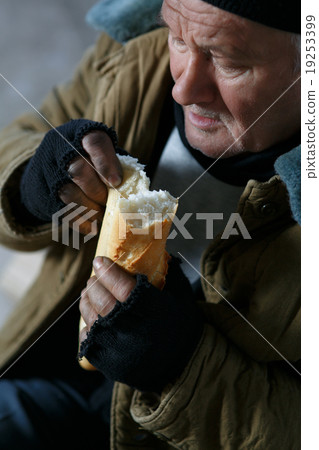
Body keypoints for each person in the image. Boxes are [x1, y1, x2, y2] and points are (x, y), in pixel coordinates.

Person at [0, 0, 301, 448]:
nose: (183, 89)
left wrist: (178, 366)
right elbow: (14, 146)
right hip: (51, 378)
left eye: (230, 62)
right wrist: (31, 182)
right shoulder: (131, 59)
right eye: (178, 38)